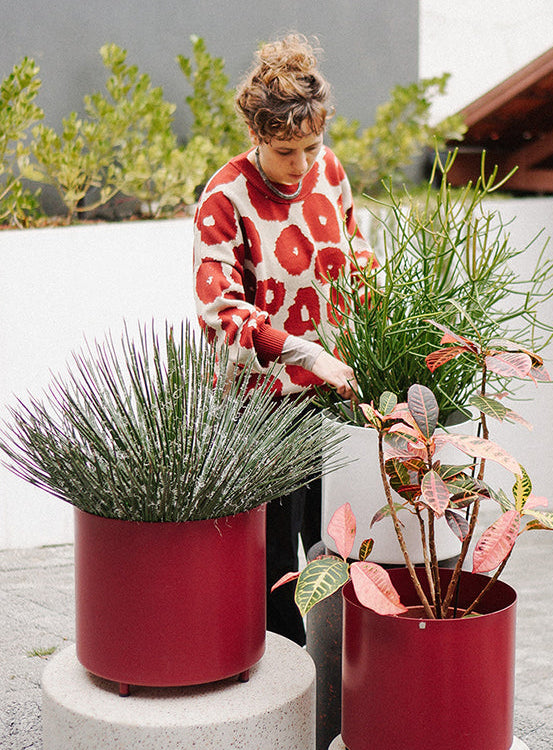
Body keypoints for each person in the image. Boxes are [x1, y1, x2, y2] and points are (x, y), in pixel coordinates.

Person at [193, 33, 374, 645]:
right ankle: (284, 703)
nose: (301, 165)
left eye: (311, 146)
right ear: (256, 136)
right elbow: (222, 314)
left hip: (332, 398)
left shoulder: (330, 172)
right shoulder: (224, 198)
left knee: (339, 551)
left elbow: (358, 259)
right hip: (263, 411)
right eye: (284, 151)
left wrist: (375, 341)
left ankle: (338, 685)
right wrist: (304, 352)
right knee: (275, 574)